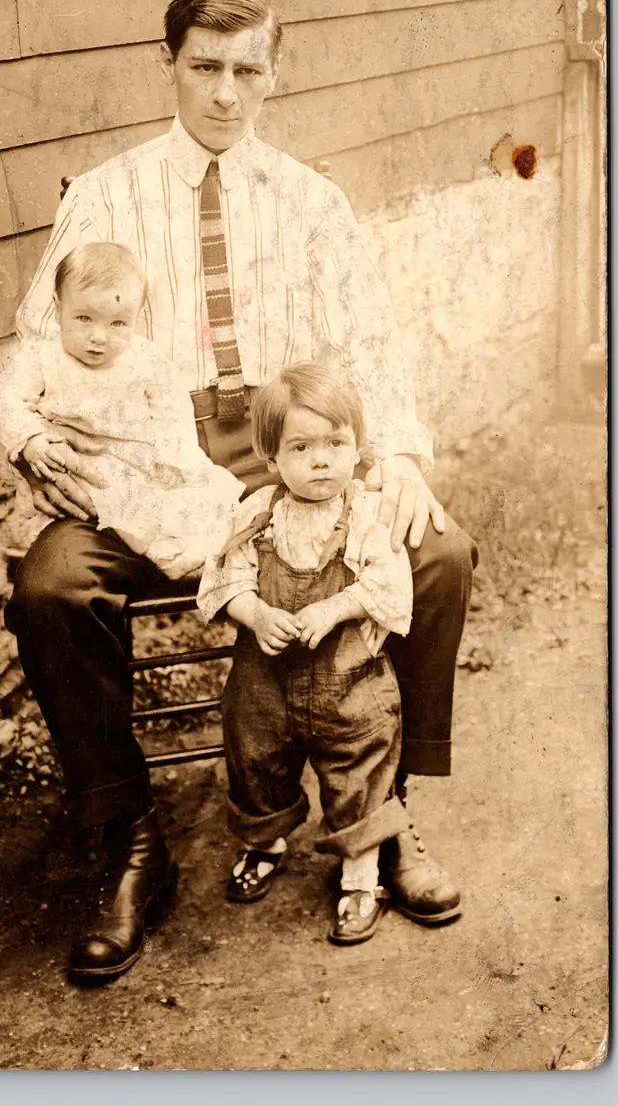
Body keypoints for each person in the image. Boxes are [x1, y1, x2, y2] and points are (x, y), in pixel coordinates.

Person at [5, 0, 477, 984]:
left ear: (275, 72)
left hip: (290, 448)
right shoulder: (103, 193)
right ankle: (131, 843)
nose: (225, 94)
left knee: (436, 552)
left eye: (247, 70)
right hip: (148, 456)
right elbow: (41, 341)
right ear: (168, 63)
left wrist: (393, 455)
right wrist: (32, 440)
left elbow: (370, 347)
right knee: (51, 585)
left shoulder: (311, 200)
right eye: (203, 68)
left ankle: (387, 819)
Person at [198, 364, 412, 945]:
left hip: (347, 678)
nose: (321, 461)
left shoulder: (366, 514)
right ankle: (265, 844)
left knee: (357, 767)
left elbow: (391, 585)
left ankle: (362, 872)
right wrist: (254, 612)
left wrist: (334, 608)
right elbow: (221, 578)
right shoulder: (259, 512)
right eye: (300, 447)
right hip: (265, 680)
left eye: (335, 444)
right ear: (270, 458)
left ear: (358, 448)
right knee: (256, 758)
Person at [0, 241, 244, 579]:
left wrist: (177, 458)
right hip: (88, 463)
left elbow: (172, 408)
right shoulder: (42, 357)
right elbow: (5, 397)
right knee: (122, 501)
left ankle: (213, 550)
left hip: (145, 455)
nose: (99, 337)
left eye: (118, 324)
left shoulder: (146, 359)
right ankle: (168, 558)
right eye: (84, 318)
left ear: (137, 316)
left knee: (203, 493)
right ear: (57, 306)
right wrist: (31, 437)